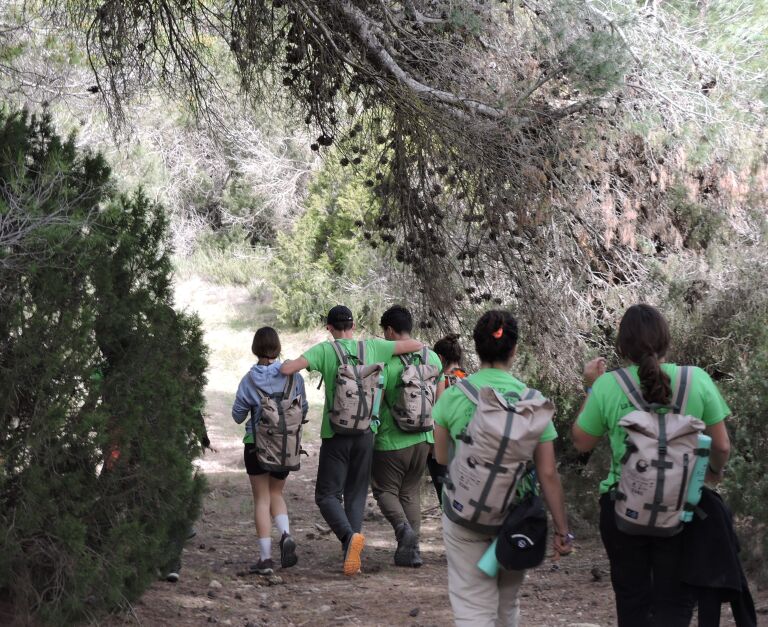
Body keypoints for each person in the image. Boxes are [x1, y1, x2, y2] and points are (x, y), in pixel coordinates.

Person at [571, 303, 732, 627]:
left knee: (632, 601)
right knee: (675, 603)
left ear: (622, 347)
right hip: (681, 508)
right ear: (666, 341)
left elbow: (581, 443)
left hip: (622, 507)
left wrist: (590, 385)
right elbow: (722, 445)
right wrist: (711, 474)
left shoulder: (607, 386)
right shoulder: (696, 380)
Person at [433, 310, 572, 626]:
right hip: (514, 519)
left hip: (464, 516)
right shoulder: (533, 403)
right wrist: (563, 530)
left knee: (472, 608)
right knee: (506, 608)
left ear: (477, 348)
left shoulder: (454, 395)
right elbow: (548, 473)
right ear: (515, 349)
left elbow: (441, 458)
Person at [280, 305, 423, 576]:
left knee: (326, 494)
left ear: (329, 328)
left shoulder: (324, 350)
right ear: (354, 326)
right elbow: (414, 344)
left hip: (336, 435)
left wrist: (282, 363)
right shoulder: (372, 347)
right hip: (366, 433)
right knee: (356, 494)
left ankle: (348, 539)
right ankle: (351, 558)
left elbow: (290, 369)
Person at [371, 306, 445, 567]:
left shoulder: (387, 361)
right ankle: (412, 552)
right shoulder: (433, 358)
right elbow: (441, 401)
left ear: (390, 330)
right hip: (423, 438)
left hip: (392, 440)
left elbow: (376, 402)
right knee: (411, 493)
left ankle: (403, 530)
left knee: (384, 489)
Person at [232, 327, 308, 576]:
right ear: (278, 347)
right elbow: (303, 409)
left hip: (257, 446)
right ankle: (285, 534)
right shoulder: (294, 377)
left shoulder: (249, 379)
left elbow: (237, 416)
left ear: (255, 348)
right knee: (276, 493)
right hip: (286, 447)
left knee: (261, 499)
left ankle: (265, 559)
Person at [427, 333, 467, 504]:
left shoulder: (440, 379)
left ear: (440, 358)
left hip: (441, 450)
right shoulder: (468, 378)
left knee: (446, 500)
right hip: (466, 447)